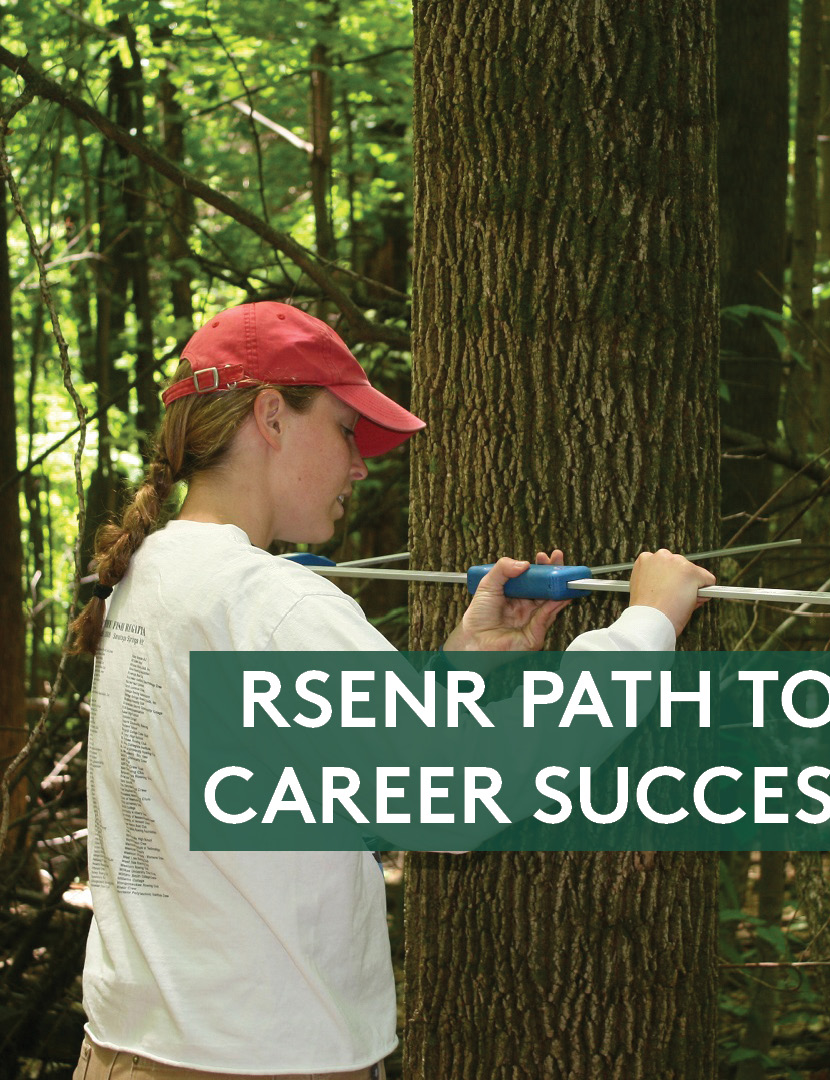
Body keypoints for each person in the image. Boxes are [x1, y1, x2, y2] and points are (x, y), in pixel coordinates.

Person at [67, 301, 715, 1080]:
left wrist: (465, 665)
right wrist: (644, 628)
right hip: (255, 1065)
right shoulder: (275, 604)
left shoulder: (149, 576)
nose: (361, 464)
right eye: (346, 431)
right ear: (270, 416)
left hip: (130, 1051)